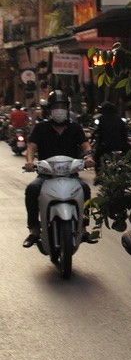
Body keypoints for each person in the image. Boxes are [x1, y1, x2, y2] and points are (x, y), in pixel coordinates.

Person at [22, 90, 93, 247]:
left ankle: (83, 228)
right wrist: (29, 161)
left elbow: (85, 144)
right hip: (46, 175)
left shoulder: (75, 128)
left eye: (62, 106)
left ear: (67, 109)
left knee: (85, 189)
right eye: (56, 106)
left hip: (70, 175)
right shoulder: (41, 128)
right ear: (50, 109)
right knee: (32, 189)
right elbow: (32, 147)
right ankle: (34, 230)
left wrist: (89, 156)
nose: (59, 110)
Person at [93, 100, 129, 175]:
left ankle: (99, 175)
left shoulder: (102, 119)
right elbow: (124, 134)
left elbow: (100, 134)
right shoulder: (119, 119)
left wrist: (99, 145)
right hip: (120, 146)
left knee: (96, 158)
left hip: (106, 146)